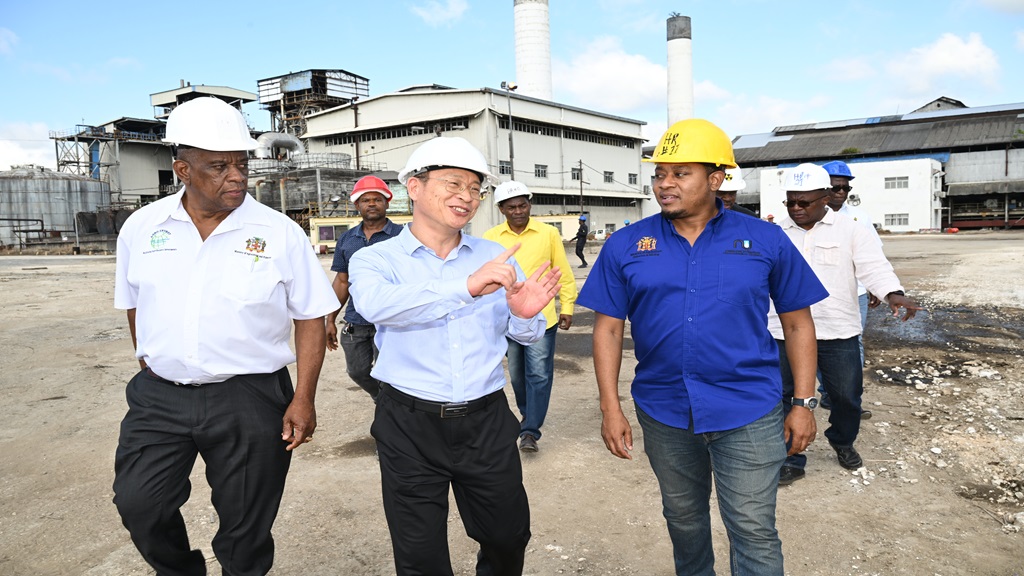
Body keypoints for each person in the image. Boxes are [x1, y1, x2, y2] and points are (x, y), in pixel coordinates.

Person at [577, 118, 827, 576]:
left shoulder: (766, 240)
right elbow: (608, 329)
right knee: (684, 523)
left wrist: (803, 402)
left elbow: (798, 325)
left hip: (748, 409)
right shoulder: (627, 244)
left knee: (752, 528)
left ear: (715, 179)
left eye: (679, 173)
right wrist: (609, 407)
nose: (664, 184)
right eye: (659, 174)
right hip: (665, 410)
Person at [112, 97, 339, 575]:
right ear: (182, 169)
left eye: (241, 164)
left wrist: (303, 398)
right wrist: (149, 359)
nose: (236, 176)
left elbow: (310, 318)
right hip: (160, 398)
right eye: (218, 166)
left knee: (245, 527)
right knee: (140, 505)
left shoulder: (279, 233)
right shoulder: (141, 228)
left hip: (250, 397)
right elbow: (134, 302)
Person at [347, 137, 562, 575]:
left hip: (485, 419)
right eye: (453, 184)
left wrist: (523, 317)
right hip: (408, 422)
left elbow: (524, 330)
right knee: (419, 552)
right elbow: (378, 306)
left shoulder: (494, 256)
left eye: (474, 188)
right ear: (414, 186)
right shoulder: (377, 259)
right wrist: (464, 288)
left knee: (507, 536)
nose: (466, 197)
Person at [768, 163, 923, 486]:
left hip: (836, 330)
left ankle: (842, 441)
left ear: (825, 198)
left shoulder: (851, 230)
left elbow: (873, 266)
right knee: (785, 397)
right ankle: (791, 455)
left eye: (804, 202)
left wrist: (893, 294)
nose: (796, 209)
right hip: (782, 333)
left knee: (845, 397)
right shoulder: (774, 234)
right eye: (790, 202)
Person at [484, 181, 578, 452]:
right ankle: (528, 413)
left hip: (542, 317)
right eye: (511, 207)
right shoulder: (490, 237)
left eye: (522, 205)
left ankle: (530, 431)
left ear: (530, 204)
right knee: (516, 375)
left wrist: (567, 306)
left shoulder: (547, 233)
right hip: (507, 319)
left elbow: (562, 270)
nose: (518, 211)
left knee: (538, 374)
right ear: (501, 209)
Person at [325, 175, 403, 402]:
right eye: (365, 200)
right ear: (357, 205)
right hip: (356, 321)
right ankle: (385, 402)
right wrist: (330, 319)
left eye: (377, 199)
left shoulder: (402, 237)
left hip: (391, 322)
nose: (371, 203)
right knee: (357, 371)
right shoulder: (348, 239)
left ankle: (390, 414)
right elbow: (342, 281)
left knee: (390, 375)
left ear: (387, 203)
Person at [821, 160, 879, 419]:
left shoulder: (859, 218)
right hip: (819, 293)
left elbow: (874, 254)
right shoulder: (805, 217)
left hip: (855, 293)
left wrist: (878, 285)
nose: (841, 193)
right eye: (836, 188)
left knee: (853, 343)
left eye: (846, 188)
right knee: (817, 340)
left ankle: (850, 398)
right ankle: (828, 392)